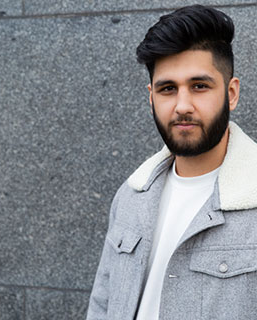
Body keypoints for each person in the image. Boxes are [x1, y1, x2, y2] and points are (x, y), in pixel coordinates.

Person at [86, 4, 257, 320]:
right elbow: (101, 304)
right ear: (151, 97)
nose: (182, 106)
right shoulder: (131, 196)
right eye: (168, 89)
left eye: (199, 86)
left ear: (231, 93)